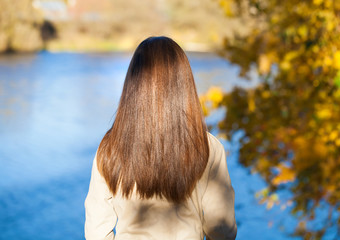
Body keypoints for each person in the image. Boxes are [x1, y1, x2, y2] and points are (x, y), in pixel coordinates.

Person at [84, 36, 237, 240]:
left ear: (133, 84)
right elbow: (222, 231)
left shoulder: (110, 147)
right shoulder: (208, 147)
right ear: (184, 84)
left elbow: (96, 232)